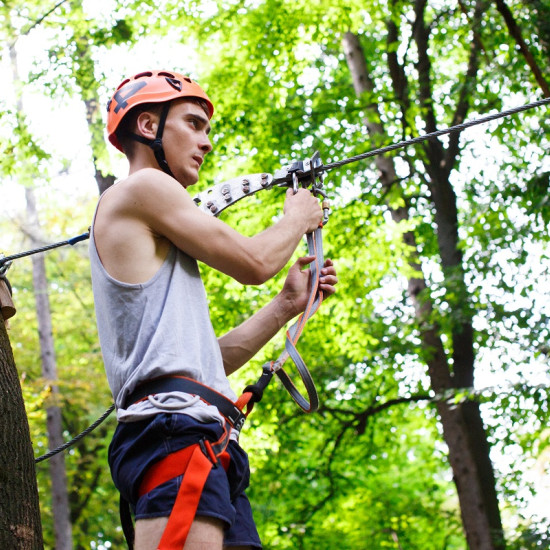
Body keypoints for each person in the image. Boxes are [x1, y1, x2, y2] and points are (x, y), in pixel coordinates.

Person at [90, 70, 337, 550]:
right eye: (194, 124)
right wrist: (297, 217)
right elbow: (254, 262)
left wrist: (286, 305)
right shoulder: (144, 189)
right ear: (147, 127)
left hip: (201, 436)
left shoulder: (162, 237)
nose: (206, 142)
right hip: (172, 433)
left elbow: (208, 363)